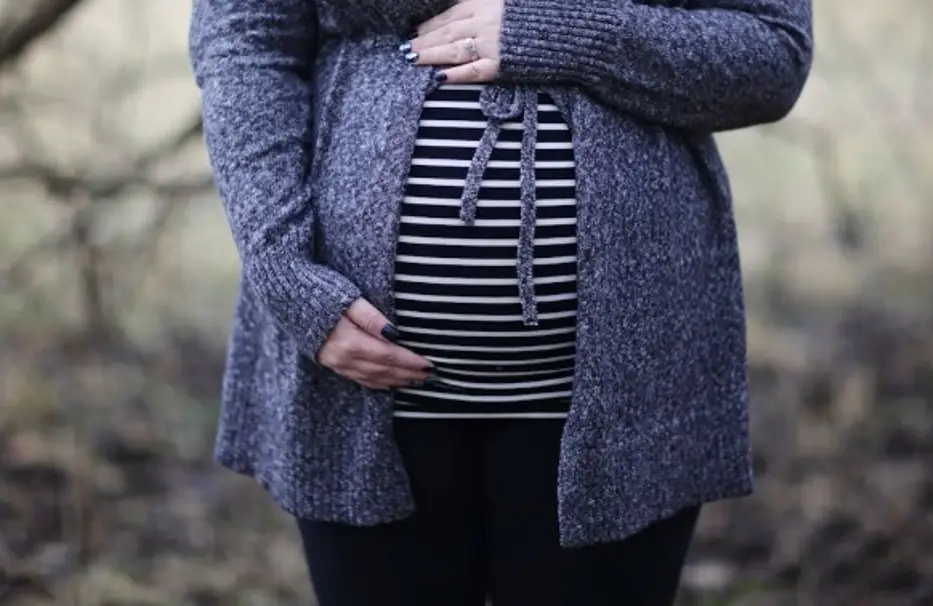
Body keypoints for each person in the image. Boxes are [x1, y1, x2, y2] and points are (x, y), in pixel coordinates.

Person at [188, 0, 812, 604]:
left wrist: (563, 30)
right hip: (356, 388)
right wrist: (284, 270)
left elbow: (771, 53)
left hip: (624, 395)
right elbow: (244, 37)